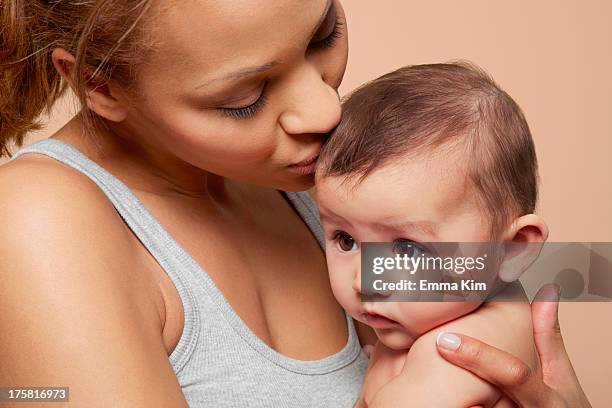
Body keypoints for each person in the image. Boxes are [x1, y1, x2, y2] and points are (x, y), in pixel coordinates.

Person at [0, 1, 591, 407]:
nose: (326, 113)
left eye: (323, 35)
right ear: (101, 85)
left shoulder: (315, 188)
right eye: (244, 97)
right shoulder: (35, 224)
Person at [315, 62, 550, 407]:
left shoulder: (461, 346)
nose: (367, 281)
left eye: (408, 250)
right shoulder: (432, 320)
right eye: (346, 240)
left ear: (512, 250)